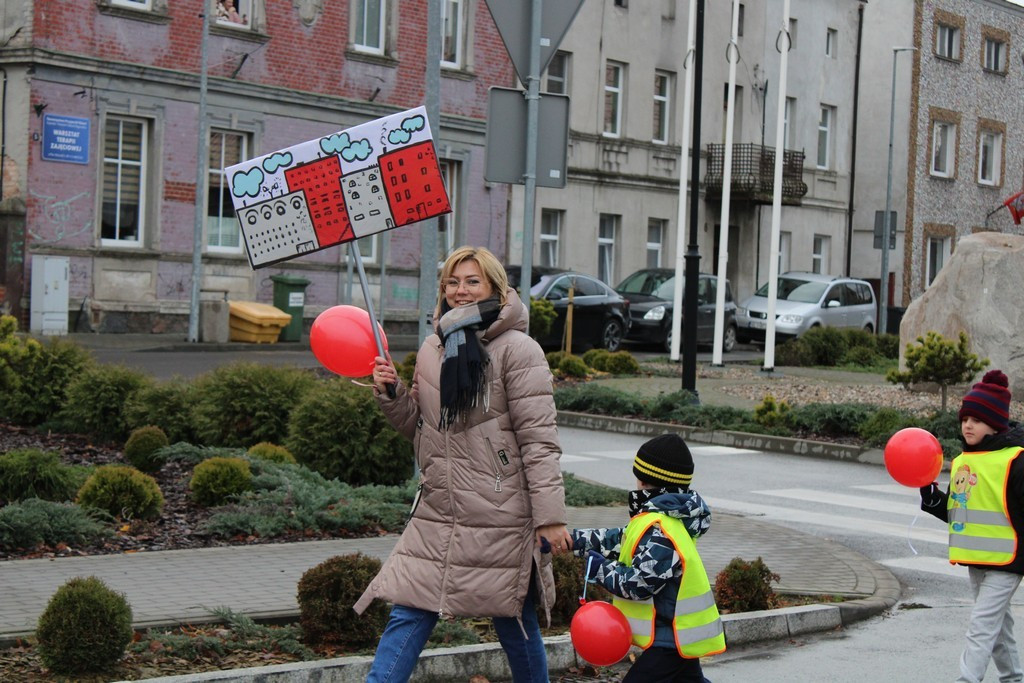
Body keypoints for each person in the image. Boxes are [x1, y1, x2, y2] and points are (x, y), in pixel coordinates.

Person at [355, 246, 572, 683]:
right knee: (410, 610)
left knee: (513, 620)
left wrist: (549, 519)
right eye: (452, 282)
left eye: (472, 281)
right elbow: (423, 429)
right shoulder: (435, 347)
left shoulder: (519, 350)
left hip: (501, 514)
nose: (460, 290)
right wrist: (394, 394)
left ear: (495, 287)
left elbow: (539, 442)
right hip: (441, 509)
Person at [572, 432, 725, 682]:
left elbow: (640, 584)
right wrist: (574, 541)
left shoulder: (660, 528)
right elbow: (620, 539)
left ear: (644, 481)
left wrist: (598, 568)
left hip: (670, 642)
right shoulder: (666, 519)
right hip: (676, 637)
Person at [920, 369, 1024, 683]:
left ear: (994, 424)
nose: (967, 425)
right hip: (978, 560)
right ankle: (1014, 678)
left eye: (976, 420)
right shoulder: (966, 460)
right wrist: (933, 497)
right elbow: (960, 511)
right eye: (965, 418)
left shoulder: (1016, 461)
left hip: (1007, 562)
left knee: (981, 626)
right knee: (998, 627)